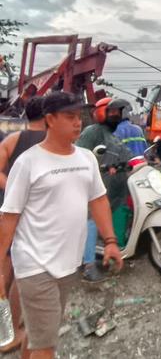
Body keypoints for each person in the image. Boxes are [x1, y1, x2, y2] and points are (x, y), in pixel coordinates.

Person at [0, 91, 123, 359]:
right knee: (47, 346)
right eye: (70, 117)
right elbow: (9, 216)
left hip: (67, 263)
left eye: (79, 117)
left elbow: (99, 200)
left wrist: (111, 241)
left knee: (37, 334)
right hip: (35, 264)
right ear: (50, 120)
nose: (78, 123)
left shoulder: (86, 158)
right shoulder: (29, 162)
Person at [0, 96, 46, 353]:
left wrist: (12, 189)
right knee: (23, 270)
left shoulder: (12, 140)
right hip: (34, 217)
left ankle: (4, 328)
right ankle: (14, 333)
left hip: (8, 210)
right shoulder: (53, 145)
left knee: (6, 265)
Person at [76, 98, 133, 283]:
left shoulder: (113, 136)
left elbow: (126, 155)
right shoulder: (92, 132)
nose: (116, 115)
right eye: (112, 112)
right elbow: (81, 155)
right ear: (101, 113)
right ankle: (89, 265)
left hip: (111, 188)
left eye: (118, 112)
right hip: (93, 189)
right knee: (91, 220)